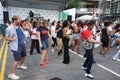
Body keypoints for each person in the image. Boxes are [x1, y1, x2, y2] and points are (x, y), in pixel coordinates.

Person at [5, 15, 27, 80]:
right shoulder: (9, 28)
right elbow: (6, 37)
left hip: (22, 44)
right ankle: (11, 74)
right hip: (16, 46)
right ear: (15, 20)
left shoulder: (19, 26)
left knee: (24, 56)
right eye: (19, 19)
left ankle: (20, 65)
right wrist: (12, 39)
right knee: (17, 60)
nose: (20, 20)